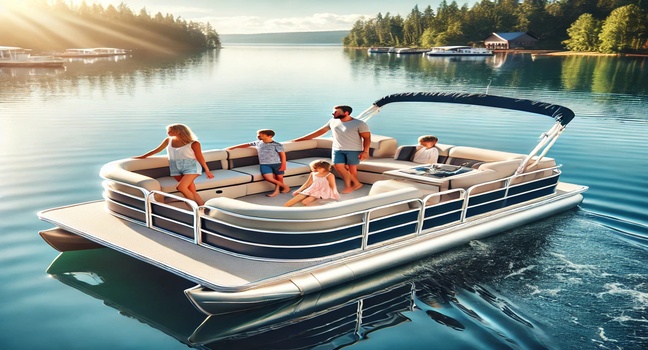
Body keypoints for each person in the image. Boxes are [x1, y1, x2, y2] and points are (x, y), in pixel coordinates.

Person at [293, 105, 371, 194]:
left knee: (352, 169)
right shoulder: (332, 121)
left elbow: (367, 138)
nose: (333, 113)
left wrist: (365, 151)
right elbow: (320, 131)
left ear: (346, 113)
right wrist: (300, 139)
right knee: (338, 166)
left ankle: (352, 185)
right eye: (334, 111)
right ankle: (354, 185)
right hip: (337, 149)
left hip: (353, 150)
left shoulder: (359, 124)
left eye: (336, 112)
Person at [133, 123, 214, 206]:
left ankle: (193, 207)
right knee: (191, 190)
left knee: (181, 187)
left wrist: (207, 171)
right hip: (175, 167)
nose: (167, 133)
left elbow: (200, 158)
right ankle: (202, 206)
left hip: (191, 167)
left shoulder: (194, 143)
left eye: (170, 131)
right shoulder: (168, 140)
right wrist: (142, 156)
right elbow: (157, 150)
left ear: (178, 131)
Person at [228, 129, 290, 197]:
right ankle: (285, 187)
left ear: (270, 136)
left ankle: (276, 191)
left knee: (279, 178)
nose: (259, 136)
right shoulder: (258, 143)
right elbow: (246, 145)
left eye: (262, 135)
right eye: (258, 134)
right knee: (268, 178)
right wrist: (232, 147)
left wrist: (283, 165)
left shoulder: (277, 145)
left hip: (277, 164)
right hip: (265, 164)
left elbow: (283, 156)